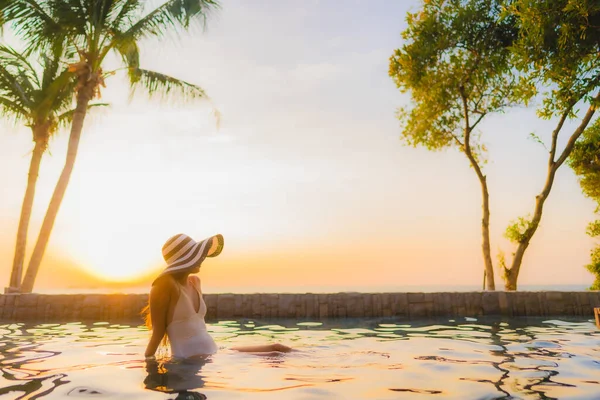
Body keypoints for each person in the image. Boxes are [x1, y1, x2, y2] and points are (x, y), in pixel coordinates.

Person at [144, 233, 292, 360]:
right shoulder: (164, 286)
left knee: (277, 348)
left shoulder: (195, 282)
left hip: (214, 353)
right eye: (196, 254)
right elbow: (158, 334)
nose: (202, 257)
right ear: (185, 259)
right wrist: (148, 365)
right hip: (188, 362)